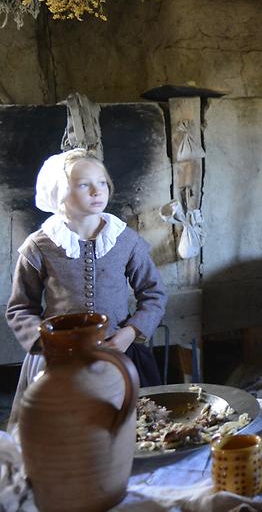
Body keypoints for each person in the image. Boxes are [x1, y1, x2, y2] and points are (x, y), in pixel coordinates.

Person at [6, 148, 167, 427]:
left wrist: (129, 334)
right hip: (58, 362)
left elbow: (154, 294)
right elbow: (21, 308)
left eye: (102, 182)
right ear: (59, 193)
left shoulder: (124, 240)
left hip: (120, 354)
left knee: (134, 432)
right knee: (65, 436)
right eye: (84, 185)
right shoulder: (39, 246)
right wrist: (50, 344)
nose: (97, 191)